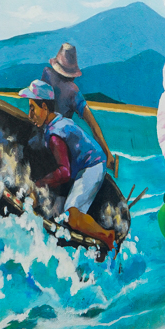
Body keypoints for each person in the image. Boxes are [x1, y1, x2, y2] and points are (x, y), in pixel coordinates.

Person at [19, 79, 115, 253]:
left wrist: (38, 184)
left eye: (32, 108)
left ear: (45, 108)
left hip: (92, 166)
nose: (29, 114)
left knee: (71, 216)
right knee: (65, 213)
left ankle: (108, 237)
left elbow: (64, 173)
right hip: (86, 165)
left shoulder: (55, 135)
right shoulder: (56, 122)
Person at [41, 43, 117, 173]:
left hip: (42, 136)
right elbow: (93, 125)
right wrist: (108, 154)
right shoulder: (73, 91)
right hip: (59, 142)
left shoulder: (46, 74)